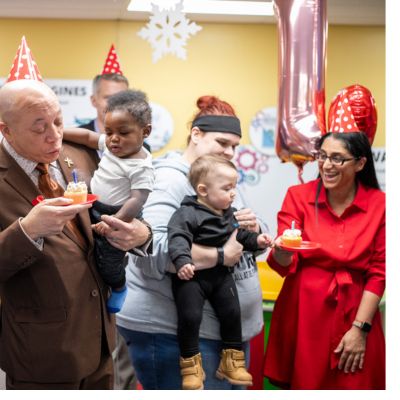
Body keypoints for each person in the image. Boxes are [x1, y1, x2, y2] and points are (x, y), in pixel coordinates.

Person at [0, 79, 152, 389]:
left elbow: (124, 201)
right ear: (6, 130)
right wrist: (28, 231)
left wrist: (142, 233)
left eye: (58, 120)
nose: (54, 134)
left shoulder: (81, 153)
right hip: (42, 354)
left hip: (101, 342)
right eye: (39, 128)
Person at [117, 95, 268, 390]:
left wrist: (256, 231)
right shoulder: (169, 181)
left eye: (235, 146)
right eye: (222, 143)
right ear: (196, 135)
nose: (229, 152)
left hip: (221, 335)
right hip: (174, 335)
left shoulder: (217, 175)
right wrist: (222, 254)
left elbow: (246, 234)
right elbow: (153, 250)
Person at [263, 131, 385, 389]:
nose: (327, 165)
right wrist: (282, 249)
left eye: (338, 159)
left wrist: (360, 329)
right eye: (322, 156)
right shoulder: (298, 196)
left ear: (360, 163)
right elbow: (284, 263)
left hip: (356, 309)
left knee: (357, 381)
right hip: (303, 309)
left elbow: (380, 272)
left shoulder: (381, 204)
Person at [168, 154, 273, 389]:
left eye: (234, 187)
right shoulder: (187, 213)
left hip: (221, 276)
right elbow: (177, 239)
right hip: (192, 278)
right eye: (227, 188)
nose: (233, 193)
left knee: (231, 313)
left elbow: (241, 236)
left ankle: (232, 362)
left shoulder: (229, 213)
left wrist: (258, 239)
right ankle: (191, 367)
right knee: (190, 317)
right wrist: (183, 261)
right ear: (203, 190)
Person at [63, 89, 154, 314]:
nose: (113, 138)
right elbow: (87, 137)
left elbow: (137, 200)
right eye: (109, 130)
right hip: (96, 205)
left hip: (120, 215)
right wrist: (59, 132)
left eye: (123, 132)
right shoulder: (114, 147)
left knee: (108, 263)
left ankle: (119, 286)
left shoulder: (141, 166)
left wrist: (115, 221)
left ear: (146, 132)